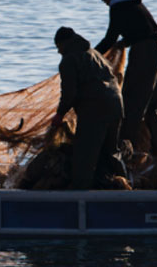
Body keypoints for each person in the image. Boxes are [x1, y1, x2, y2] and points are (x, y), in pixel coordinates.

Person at [93, 0, 157, 156]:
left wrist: (91, 55)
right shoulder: (133, 4)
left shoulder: (118, 7)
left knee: (132, 101)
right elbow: (141, 29)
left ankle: (128, 151)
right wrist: (125, 42)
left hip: (145, 53)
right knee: (155, 105)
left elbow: (109, 38)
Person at [50, 27, 124, 189]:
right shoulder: (95, 54)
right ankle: (124, 185)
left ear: (64, 44)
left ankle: (80, 193)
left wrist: (59, 114)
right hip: (116, 105)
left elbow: (69, 93)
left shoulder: (69, 60)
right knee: (111, 152)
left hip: (95, 110)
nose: (58, 52)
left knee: (84, 156)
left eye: (58, 47)